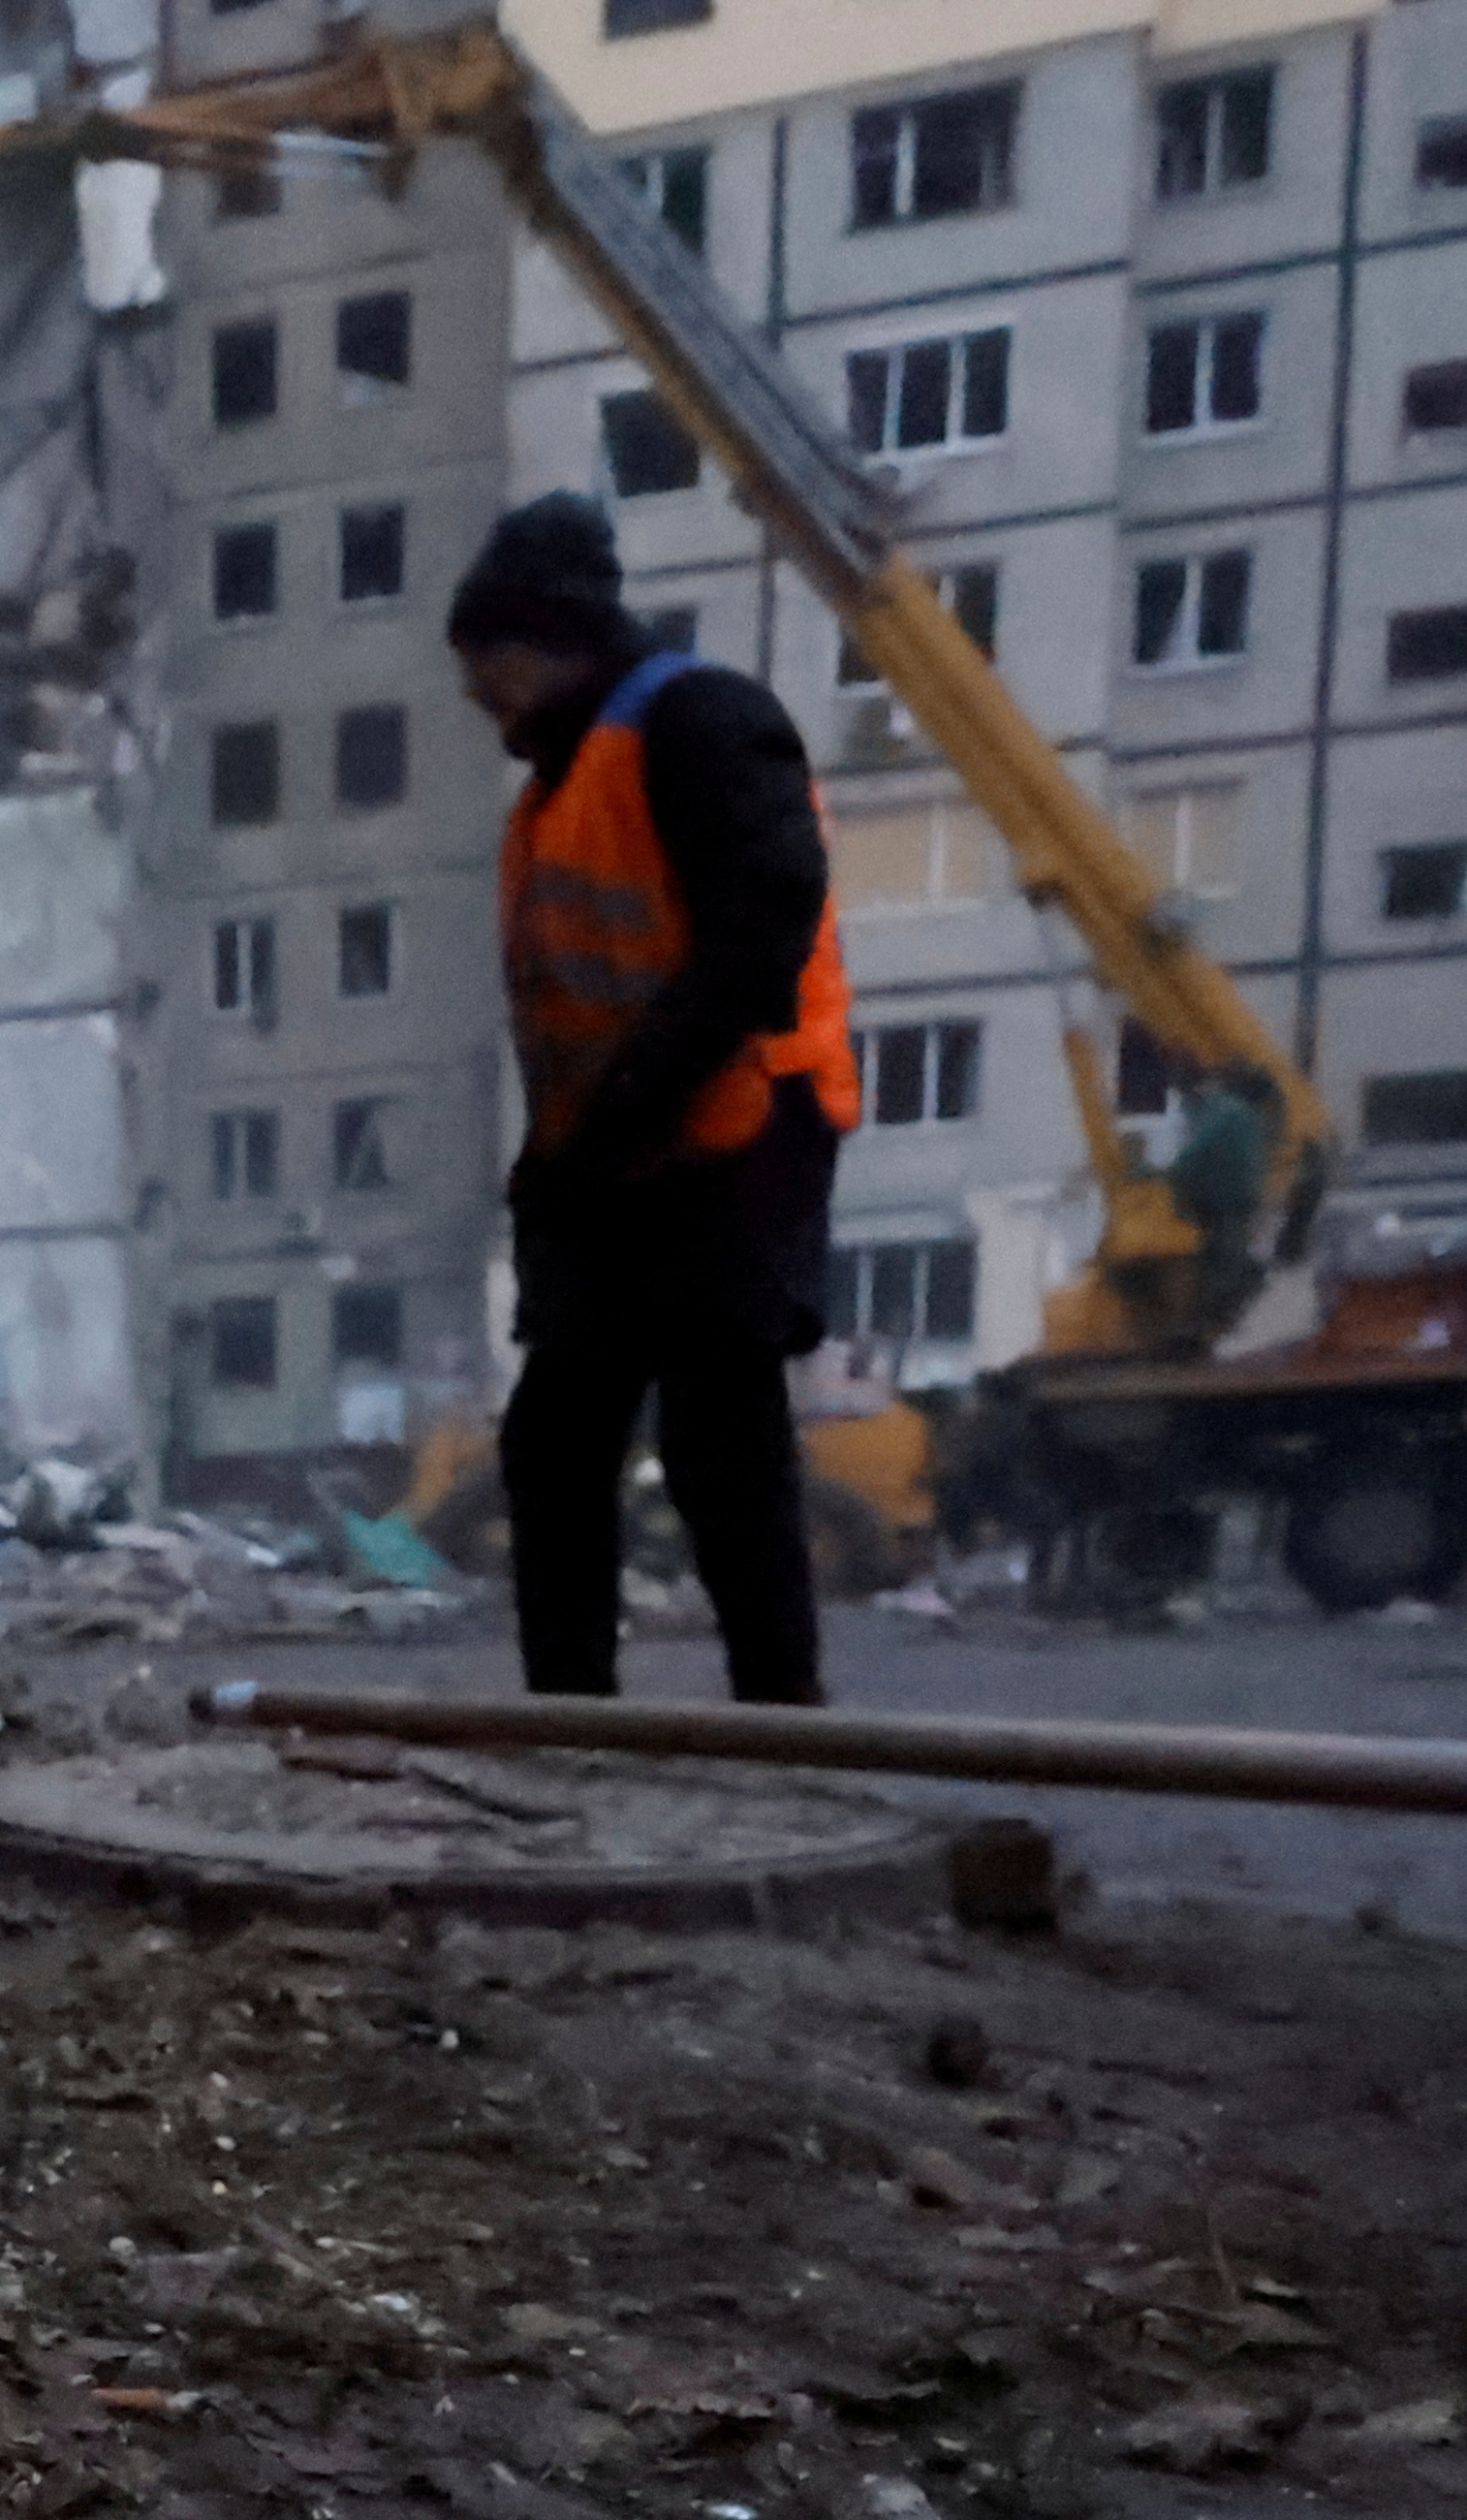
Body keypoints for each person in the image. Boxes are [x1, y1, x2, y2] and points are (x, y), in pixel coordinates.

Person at [450, 491, 858, 1702]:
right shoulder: (555, 791)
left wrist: (626, 1106)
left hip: (737, 1134)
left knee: (718, 1439)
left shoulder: (699, 723)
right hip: (611, 1160)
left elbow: (763, 924)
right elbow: (572, 1008)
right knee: (555, 1441)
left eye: (489, 661)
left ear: (552, 636)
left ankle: (785, 1726)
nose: (478, 693)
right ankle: (573, 1717)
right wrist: (557, 1166)